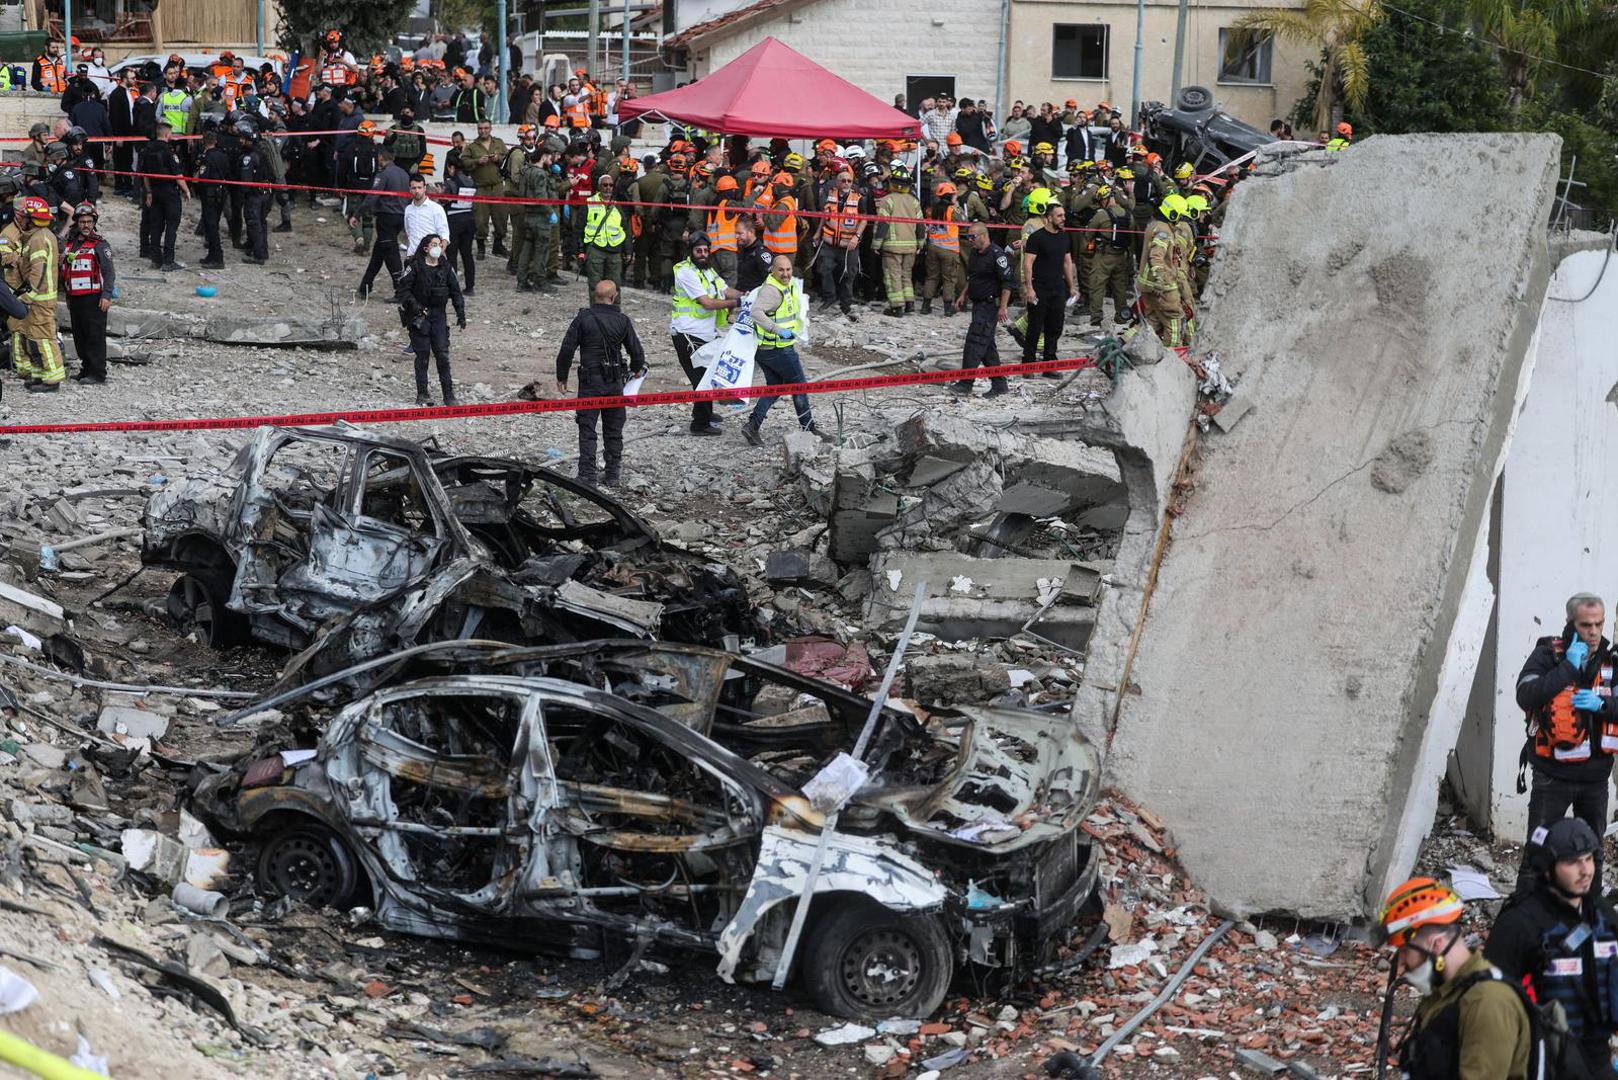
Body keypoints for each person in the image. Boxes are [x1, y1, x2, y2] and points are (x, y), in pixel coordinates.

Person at [1486, 817, 1618, 1077]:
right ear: (1547, 869)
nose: (1586, 871)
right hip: (1540, 1064)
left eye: (1588, 859)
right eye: (1572, 862)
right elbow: (1488, 1002)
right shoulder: (1519, 923)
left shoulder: (1602, 914)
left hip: (1597, 1060)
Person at [1512, 592, 1618, 895]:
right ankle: (1525, 913)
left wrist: (1602, 705)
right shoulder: (1547, 655)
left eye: (1599, 624)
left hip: (1594, 780)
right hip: (1552, 777)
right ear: (1570, 622)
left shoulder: (1612, 660)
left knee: (1592, 852)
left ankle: (1589, 914)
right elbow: (1526, 696)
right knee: (1538, 850)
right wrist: (1567, 669)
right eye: (1586, 625)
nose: (1594, 632)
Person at [1377, 877, 1532, 1078]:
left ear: (1436, 944)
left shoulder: (1488, 1002)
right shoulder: (1446, 992)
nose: (1401, 965)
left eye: (1405, 951)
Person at [555, 279, 647, 488]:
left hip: (590, 382)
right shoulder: (622, 320)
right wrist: (635, 370)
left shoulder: (583, 318)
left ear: (594, 296)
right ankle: (612, 474)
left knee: (587, 427)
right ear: (614, 297)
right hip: (615, 382)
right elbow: (637, 353)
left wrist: (562, 376)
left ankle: (587, 475)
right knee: (614, 428)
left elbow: (567, 349)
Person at [740, 256, 822, 447]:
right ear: (773, 270)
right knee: (799, 386)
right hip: (778, 349)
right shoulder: (772, 291)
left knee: (775, 387)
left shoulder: (782, 285)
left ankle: (752, 426)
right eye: (781, 270)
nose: (785, 274)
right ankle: (808, 428)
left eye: (788, 269)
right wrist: (777, 330)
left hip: (766, 349)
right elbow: (756, 312)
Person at [670, 233, 742, 436]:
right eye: (698, 251)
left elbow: (726, 290)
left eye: (705, 250)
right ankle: (699, 424)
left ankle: (705, 413)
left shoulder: (708, 270)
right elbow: (707, 303)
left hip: (705, 333)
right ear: (691, 252)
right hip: (687, 333)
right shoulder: (685, 272)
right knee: (701, 378)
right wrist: (737, 303)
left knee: (707, 372)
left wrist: (749, 295)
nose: (703, 254)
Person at [395, 234, 466, 406]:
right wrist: (415, 306)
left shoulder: (446, 267)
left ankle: (448, 395)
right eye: (434, 244)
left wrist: (460, 313)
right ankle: (423, 394)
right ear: (426, 248)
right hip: (420, 316)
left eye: (439, 244)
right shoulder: (415, 266)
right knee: (423, 355)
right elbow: (403, 290)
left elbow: (455, 291)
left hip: (439, 315)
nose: (437, 248)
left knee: (442, 354)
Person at [950, 223, 1013, 399]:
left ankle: (966, 383)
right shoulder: (974, 253)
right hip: (977, 305)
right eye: (968, 237)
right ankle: (999, 384)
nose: (970, 241)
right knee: (986, 346)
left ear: (983, 236)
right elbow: (973, 277)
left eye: (973, 237)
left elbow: (1008, 283)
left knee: (975, 342)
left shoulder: (997, 255)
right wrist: (963, 294)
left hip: (990, 305)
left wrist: (1003, 307)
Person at [13, 197, 62, 392]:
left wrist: (30, 295)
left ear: (31, 219)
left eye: (23, 216)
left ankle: (52, 380)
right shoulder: (40, 235)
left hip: (40, 300)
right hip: (38, 299)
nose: (20, 219)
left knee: (43, 339)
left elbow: (37, 271)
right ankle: (40, 375)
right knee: (32, 338)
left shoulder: (38, 239)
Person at [1019, 199, 1076, 370]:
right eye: (1059, 216)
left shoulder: (1064, 237)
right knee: (1035, 327)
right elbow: (1028, 263)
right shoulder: (1037, 238)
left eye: (1063, 215)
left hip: (1057, 288)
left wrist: (1072, 286)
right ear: (1049, 218)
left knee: (1055, 326)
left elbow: (1067, 262)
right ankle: (1028, 363)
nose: (1063, 218)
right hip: (1039, 288)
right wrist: (1029, 288)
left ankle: (1049, 362)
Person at [62, 202, 113, 385]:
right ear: (76, 222)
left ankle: (98, 373)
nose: (86, 225)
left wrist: (106, 295)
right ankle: (86, 369)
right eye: (82, 221)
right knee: (80, 336)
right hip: (75, 298)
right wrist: (68, 295)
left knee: (95, 336)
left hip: (94, 298)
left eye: (89, 222)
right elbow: (66, 271)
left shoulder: (100, 244)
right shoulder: (70, 244)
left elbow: (109, 272)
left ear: (94, 222)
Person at [354, 148, 411, 300]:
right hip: (400, 217)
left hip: (387, 218)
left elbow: (372, 197)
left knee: (391, 254)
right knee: (379, 253)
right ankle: (365, 286)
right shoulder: (404, 174)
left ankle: (401, 290)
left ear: (380, 157)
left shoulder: (384, 174)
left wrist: (357, 214)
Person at [138, 120, 188, 271]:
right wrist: (186, 190)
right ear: (166, 134)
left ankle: (155, 260)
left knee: (156, 226)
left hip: (155, 191)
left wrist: (149, 192)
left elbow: (145, 175)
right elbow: (177, 175)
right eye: (171, 133)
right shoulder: (168, 151)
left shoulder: (147, 150)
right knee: (171, 226)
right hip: (169, 192)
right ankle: (168, 261)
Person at [1138, 194, 1188, 347]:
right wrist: (1160, 278)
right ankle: (1172, 353)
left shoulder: (1153, 225)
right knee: (1174, 319)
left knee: (1151, 321)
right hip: (1162, 286)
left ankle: (1127, 343)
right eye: (1180, 216)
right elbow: (1156, 256)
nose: (1180, 220)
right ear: (1173, 214)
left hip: (1146, 283)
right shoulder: (1164, 231)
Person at [873, 164, 922, 317]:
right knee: (906, 275)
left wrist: (876, 244)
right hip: (911, 246)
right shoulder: (914, 201)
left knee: (892, 276)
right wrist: (920, 243)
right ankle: (909, 304)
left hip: (892, 247)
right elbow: (921, 225)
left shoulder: (887, 200)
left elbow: (882, 224)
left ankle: (896, 307)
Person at [1084, 185, 1134, 330]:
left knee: (1097, 286)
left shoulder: (1101, 215)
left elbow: (1088, 234)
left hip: (1104, 256)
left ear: (1104, 199)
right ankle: (1121, 316)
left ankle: (1096, 319)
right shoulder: (1128, 214)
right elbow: (1132, 238)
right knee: (1120, 288)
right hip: (1122, 256)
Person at [816, 168, 863, 320]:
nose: (846, 183)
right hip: (829, 241)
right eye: (843, 180)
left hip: (849, 244)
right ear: (837, 182)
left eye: (849, 181)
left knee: (849, 275)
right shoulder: (829, 195)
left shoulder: (858, 198)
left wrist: (857, 237)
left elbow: (864, 219)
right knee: (825, 270)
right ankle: (829, 298)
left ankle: (846, 305)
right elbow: (824, 216)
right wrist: (817, 233)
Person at [513, 142, 560, 293]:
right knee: (541, 250)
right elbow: (541, 196)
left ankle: (522, 280)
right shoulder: (540, 174)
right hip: (540, 218)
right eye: (549, 158)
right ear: (543, 157)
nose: (551, 162)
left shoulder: (526, 171)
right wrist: (550, 212)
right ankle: (539, 281)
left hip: (528, 215)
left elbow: (522, 193)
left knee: (526, 249)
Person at [921, 182, 964, 316]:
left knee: (931, 277)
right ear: (950, 196)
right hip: (949, 250)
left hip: (933, 247)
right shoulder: (952, 210)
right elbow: (963, 221)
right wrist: (957, 205)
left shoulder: (931, 209)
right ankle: (947, 308)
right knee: (949, 279)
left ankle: (925, 306)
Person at [466, 119, 506, 258]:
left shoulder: (498, 143)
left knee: (501, 218)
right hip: (481, 188)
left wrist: (498, 158)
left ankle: (498, 245)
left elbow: (507, 159)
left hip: (497, 186)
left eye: (486, 128)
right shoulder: (472, 146)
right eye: (480, 128)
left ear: (490, 128)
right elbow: (464, 162)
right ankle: (481, 248)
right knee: (480, 220)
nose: (483, 131)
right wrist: (477, 161)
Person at [582, 174, 627, 292]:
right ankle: (596, 305)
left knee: (615, 287)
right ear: (599, 187)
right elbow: (579, 228)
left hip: (614, 250)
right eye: (605, 185)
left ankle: (614, 305)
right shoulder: (589, 203)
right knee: (595, 286)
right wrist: (579, 250)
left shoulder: (617, 205)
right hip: (596, 249)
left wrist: (628, 250)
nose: (608, 188)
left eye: (611, 185)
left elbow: (625, 228)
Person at [441, 157, 478, 294]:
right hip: (469, 220)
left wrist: (439, 193)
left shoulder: (450, 182)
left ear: (452, 167)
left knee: (452, 255)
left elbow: (444, 200)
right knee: (467, 255)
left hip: (453, 221)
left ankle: (453, 287)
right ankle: (470, 286)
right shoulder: (472, 181)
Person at [237, 121, 272, 265]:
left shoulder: (249, 157)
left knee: (254, 223)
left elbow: (246, 181)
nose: (240, 141)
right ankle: (261, 250)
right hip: (265, 192)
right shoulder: (261, 151)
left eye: (242, 138)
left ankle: (258, 255)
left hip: (254, 195)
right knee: (261, 222)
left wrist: (242, 195)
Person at [402, 173, 449, 262]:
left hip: (431, 257)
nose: (417, 191)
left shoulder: (436, 208)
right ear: (410, 189)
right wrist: (408, 256)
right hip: (413, 257)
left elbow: (444, 236)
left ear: (425, 188)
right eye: (414, 188)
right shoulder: (408, 209)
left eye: (419, 187)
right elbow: (409, 234)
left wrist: (437, 256)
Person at [733, 215, 772, 293]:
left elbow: (770, 281)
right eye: (736, 233)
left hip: (755, 297)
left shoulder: (761, 253)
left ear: (751, 232)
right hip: (741, 295)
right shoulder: (743, 249)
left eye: (740, 233)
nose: (736, 236)